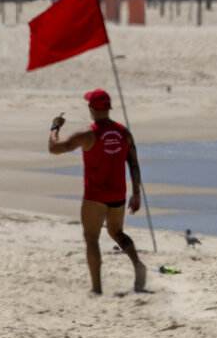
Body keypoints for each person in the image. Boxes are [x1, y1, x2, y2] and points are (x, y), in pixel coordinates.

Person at [46, 87, 147, 295]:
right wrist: (136, 193)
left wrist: (54, 127)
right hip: (118, 194)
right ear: (109, 108)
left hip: (95, 197)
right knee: (116, 232)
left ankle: (97, 288)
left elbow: (54, 148)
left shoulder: (88, 134)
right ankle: (137, 263)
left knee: (91, 238)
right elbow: (134, 164)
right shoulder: (123, 132)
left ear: (92, 108)